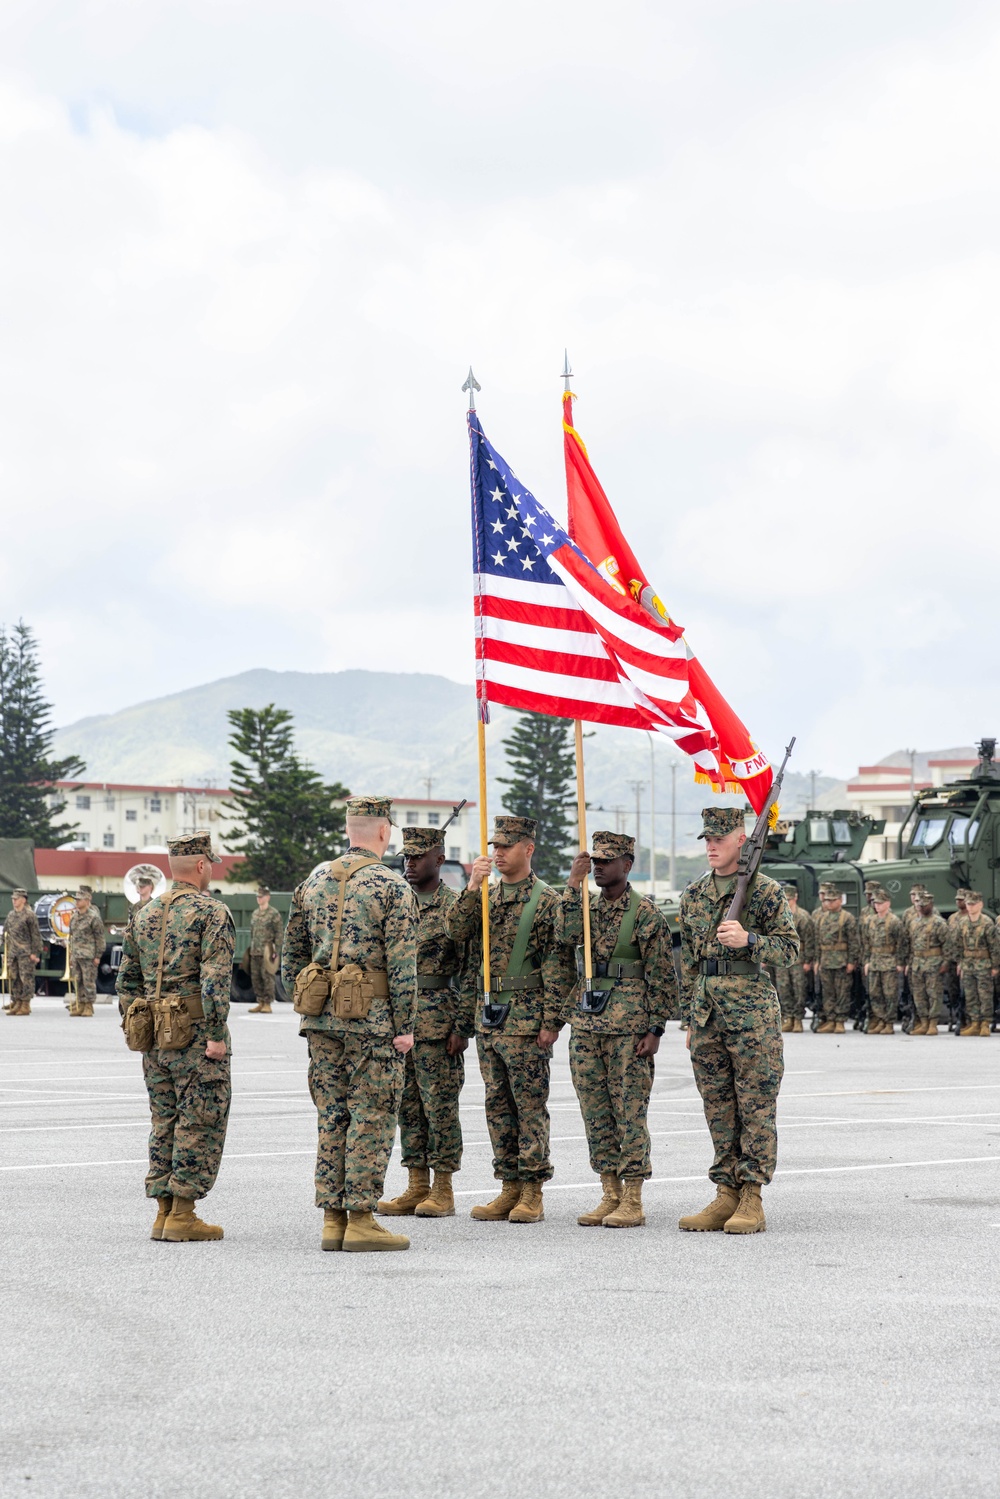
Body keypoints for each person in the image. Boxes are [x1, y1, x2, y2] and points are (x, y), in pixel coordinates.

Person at [283, 796, 417, 1253]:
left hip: (320, 1019)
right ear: (384, 832)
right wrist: (406, 1025)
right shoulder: (392, 887)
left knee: (332, 1115)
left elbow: (291, 959)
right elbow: (403, 966)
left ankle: (332, 1218)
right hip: (374, 1021)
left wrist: (309, 1000)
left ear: (348, 830)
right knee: (372, 1116)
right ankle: (360, 1218)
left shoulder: (313, 881)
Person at [446, 814, 574, 1226]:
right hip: (490, 1016)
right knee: (496, 1104)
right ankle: (508, 1186)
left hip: (526, 1016)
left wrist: (552, 1021)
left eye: (506, 846)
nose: (497, 853)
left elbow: (558, 964)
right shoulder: (487, 895)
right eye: (494, 846)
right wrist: (470, 888)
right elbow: (456, 932)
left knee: (529, 1106)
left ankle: (532, 1190)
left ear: (528, 849)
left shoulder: (547, 900)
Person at [677, 806, 799, 1236]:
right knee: (718, 1106)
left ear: (742, 841)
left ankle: (751, 1195)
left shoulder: (765, 891)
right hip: (707, 1013)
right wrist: (690, 1018)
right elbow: (690, 964)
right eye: (706, 839)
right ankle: (725, 1191)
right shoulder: (693, 894)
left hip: (752, 1014)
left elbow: (790, 950)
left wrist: (750, 941)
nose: (711, 845)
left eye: (719, 838)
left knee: (756, 1104)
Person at [116, 832, 235, 1242]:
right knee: (199, 1118)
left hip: (154, 1037)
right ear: (201, 865)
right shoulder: (211, 912)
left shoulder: (144, 914)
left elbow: (127, 979)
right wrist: (217, 1035)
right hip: (196, 1034)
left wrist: (136, 1024)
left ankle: (163, 1212)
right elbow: (215, 981)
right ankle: (183, 1214)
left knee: (164, 1119)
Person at [556, 831, 677, 1229]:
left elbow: (662, 977)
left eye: (608, 861)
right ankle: (609, 1192)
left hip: (629, 1027)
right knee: (595, 1112)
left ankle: (633, 1197)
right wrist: (572, 884)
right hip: (588, 1024)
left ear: (627, 865)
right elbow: (566, 934)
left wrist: (656, 1029)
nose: (600, 867)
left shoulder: (645, 915)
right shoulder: (586, 908)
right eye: (596, 860)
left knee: (629, 1113)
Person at [378, 826, 466, 1220]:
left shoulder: (453, 905)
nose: (409, 863)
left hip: (438, 1021)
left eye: (418, 857)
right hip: (401, 1022)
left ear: (439, 860)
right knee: (407, 1107)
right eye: (406, 857)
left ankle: (443, 1188)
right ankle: (416, 1184)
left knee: (440, 1107)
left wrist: (463, 1026)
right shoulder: (396, 901)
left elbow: (470, 969)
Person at [946, 891, 999, 1037]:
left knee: (985, 995)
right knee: (970, 995)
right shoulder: (962, 923)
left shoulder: (987, 923)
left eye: (973, 904)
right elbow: (956, 944)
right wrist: (960, 962)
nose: (970, 907)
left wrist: (995, 966)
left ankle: (985, 1024)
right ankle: (974, 1023)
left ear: (980, 905)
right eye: (968, 904)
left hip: (983, 964)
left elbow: (994, 947)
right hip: (968, 964)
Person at [813, 882, 860, 1034]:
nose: (829, 903)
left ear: (840, 900)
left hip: (841, 961)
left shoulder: (847, 918)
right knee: (828, 992)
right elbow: (818, 941)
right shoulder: (821, 918)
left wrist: (852, 961)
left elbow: (854, 942)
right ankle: (830, 1019)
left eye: (833, 900)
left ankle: (840, 1021)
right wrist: (817, 961)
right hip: (826, 961)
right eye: (827, 900)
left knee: (842, 992)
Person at [902, 893, 949, 1035]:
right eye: (920, 905)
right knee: (919, 994)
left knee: (934, 993)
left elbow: (947, 945)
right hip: (917, 963)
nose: (922, 908)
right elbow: (910, 945)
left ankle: (933, 1023)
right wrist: (908, 963)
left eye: (925, 905)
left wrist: (945, 963)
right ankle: (923, 1022)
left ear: (931, 905)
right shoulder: (913, 923)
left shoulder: (939, 923)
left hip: (934, 963)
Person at [861, 888, 904, 1034]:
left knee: (889, 993)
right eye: (875, 903)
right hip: (874, 961)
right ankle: (879, 1020)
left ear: (887, 903)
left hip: (889, 961)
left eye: (880, 903)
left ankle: (889, 1022)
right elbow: (866, 943)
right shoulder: (870, 921)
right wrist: (866, 961)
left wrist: (899, 962)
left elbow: (900, 943)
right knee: (875, 993)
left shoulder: (894, 921)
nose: (877, 906)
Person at [775, 883, 815, 1033]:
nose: (787, 901)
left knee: (799, 989)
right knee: (783, 988)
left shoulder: (803, 916)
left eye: (789, 899)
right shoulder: (777, 915)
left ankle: (798, 1018)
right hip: (782, 958)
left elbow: (810, 940)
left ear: (795, 898)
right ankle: (788, 1016)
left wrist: (808, 960)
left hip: (798, 958)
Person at [68, 885, 106, 1017]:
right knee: (77, 981)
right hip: (77, 954)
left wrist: (98, 955)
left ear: (87, 900)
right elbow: (71, 937)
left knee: (88, 981)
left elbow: (100, 938)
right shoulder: (74, 917)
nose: (77, 902)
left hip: (89, 955)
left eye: (79, 899)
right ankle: (80, 1004)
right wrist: (70, 955)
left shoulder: (93, 917)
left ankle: (89, 1005)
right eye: (76, 899)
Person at [4, 889, 42, 1017]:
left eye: (17, 899)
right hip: (13, 952)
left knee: (26, 978)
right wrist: (6, 950)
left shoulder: (29, 915)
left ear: (23, 900)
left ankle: (25, 1004)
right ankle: (17, 1002)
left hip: (26, 953)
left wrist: (34, 952)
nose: (14, 901)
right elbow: (6, 933)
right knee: (15, 978)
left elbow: (36, 935)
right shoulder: (11, 915)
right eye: (13, 899)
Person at [248, 885, 284, 1014]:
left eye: (261, 897)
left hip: (267, 951)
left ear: (267, 897)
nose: (259, 899)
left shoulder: (273, 914)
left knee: (268, 977)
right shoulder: (255, 913)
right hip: (255, 951)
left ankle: (268, 1003)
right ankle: (261, 1002)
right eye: (257, 897)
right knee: (256, 978)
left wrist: (276, 952)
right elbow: (252, 932)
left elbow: (279, 933)